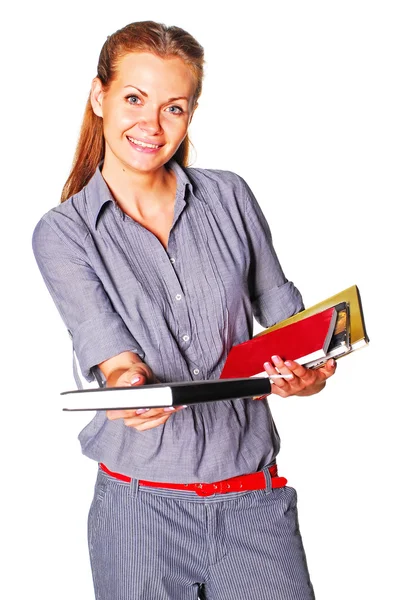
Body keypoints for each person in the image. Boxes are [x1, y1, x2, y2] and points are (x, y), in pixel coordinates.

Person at [32, 20, 336, 600]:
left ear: (190, 114)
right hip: (139, 515)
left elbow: (292, 329)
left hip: (253, 506)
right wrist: (131, 390)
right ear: (100, 97)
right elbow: (112, 356)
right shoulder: (64, 234)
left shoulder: (230, 197)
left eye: (174, 107)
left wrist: (308, 377)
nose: (151, 125)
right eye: (133, 99)